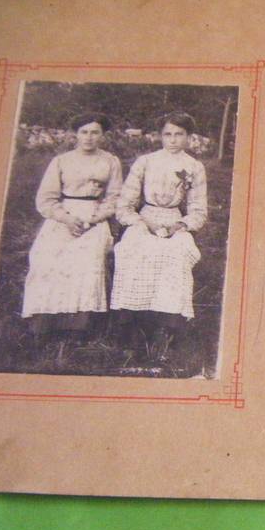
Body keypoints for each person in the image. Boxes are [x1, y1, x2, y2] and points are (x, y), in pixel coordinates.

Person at [111, 112, 208, 362]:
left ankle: (166, 327)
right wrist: (142, 223)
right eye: (168, 134)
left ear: (188, 137)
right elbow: (124, 204)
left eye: (179, 135)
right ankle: (131, 326)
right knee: (133, 250)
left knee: (177, 254)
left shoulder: (195, 167)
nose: (173, 140)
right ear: (160, 136)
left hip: (175, 221)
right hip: (145, 218)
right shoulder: (145, 161)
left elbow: (198, 210)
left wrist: (181, 224)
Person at [21, 112, 123, 348]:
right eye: (84, 132)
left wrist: (95, 218)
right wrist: (66, 219)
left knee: (86, 261)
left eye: (94, 132)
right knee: (45, 258)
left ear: (102, 135)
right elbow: (45, 200)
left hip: (95, 218)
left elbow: (115, 196)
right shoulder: (61, 161)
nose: (89, 137)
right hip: (63, 215)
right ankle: (44, 325)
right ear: (75, 134)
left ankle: (79, 327)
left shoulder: (110, 161)